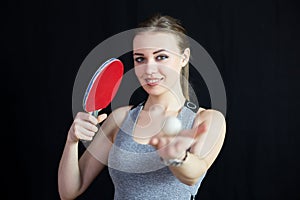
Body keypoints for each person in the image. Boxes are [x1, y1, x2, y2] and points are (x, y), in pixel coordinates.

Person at [58, 14, 226, 200]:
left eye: (161, 57)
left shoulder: (205, 119)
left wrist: (176, 156)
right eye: (140, 59)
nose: (149, 69)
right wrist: (71, 140)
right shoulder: (121, 118)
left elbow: (193, 175)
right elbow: (70, 190)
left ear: (184, 57)